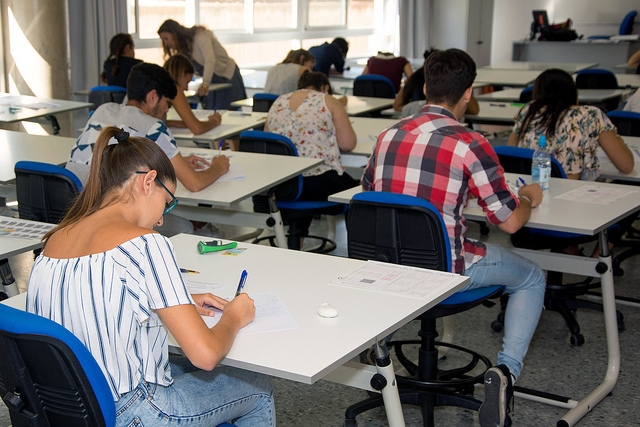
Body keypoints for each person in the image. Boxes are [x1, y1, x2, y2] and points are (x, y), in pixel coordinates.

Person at [28, 126, 275, 426]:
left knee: (182, 367)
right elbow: (206, 355)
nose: (160, 219)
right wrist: (233, 317)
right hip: (136, 412)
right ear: (148, 182)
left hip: (72, 408)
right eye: (166, 202)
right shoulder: (146, 244)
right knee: (257, 385)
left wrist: (178, 301)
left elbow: (92, 303)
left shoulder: (54, 240)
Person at [362, 48, 546, 427]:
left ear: (425, 86)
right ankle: (506, 375)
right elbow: (510, 222)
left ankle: (378, 353)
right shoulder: (470, 143)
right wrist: (528, 198)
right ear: (468, 93)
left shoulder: (388, 135)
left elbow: (370, 194)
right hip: (445, 272)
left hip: (387, 265)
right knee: (532, 276)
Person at [67, 62, 230, 236]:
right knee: (183, 227)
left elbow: (118, 154)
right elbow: (194, 183)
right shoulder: (154, 127)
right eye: (167, 102)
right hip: (109, 220)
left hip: (73, 213)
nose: (167, 109)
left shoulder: (102, 110)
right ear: (153, 96)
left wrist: (172, 160)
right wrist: (219, 167)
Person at [264, 71, 358, 239]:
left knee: (302, 174)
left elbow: (268, 143)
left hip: (280, 184)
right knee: (357, 192)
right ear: (325, 88)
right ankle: (357, 253)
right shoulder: (327, 100)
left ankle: (296, 238)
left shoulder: (278, 102)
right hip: (316, 184)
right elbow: (347, 144)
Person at [508, 68, 634, 180]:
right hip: (570, 192)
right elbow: (626, 165)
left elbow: (511, 153)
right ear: (573, 91)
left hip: (529, 187)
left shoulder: (528, 111)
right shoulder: (590, 115)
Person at [158, 19, 247, 110]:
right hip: (212, 82)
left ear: (175, 34)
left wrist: (205, 84)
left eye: (166, 38)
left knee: (228, 111)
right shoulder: (184, 49)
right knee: (212, 111)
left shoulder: (200, 36)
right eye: (163, 40)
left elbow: (210, 60)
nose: (166, 43)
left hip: (228, 76)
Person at [393, 48, 479, 117]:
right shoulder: (474, 139)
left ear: (425, 88)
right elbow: (474, 110)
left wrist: (412, 109)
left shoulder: (388, 134)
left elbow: (397, 105)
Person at [163, 53, 222, 135]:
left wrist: (172, 123)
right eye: (187, 82)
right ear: (181, 74)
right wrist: (215, 121)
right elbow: (197, 129)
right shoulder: (174, 89)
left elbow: (156, 121)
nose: (186, 88)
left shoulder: (161, 86)